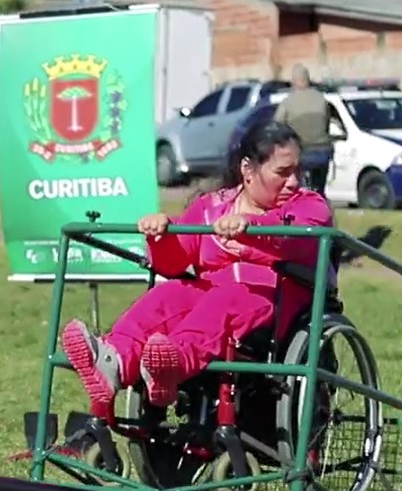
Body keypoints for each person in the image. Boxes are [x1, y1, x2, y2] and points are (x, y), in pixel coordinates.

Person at [60, 121, 333, 417]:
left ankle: (173, 363)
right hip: (211, 297)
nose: (293, 181)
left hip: (272, 301)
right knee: (169, 294)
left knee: (226, 300)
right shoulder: (210, 207)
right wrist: (161, 237)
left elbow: (287, 235)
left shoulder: (310, 205)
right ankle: (114, 361)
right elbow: (174, 263)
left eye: (296, 170)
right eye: (282, 172)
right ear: (248, 169)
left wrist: (249, 225)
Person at [275, 64, 333, 195]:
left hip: (301, 153)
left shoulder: (288, 102)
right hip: (323, 151)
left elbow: (277, 125)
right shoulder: (321, 99)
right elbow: (327, 122)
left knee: (298, 187)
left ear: (294, 81)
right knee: (320, 189)